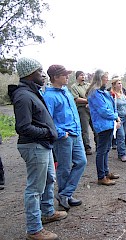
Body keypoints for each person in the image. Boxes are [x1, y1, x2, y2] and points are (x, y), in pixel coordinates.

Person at [8, 57, 67, 240]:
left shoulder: (33, 92)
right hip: (34, 146)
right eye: (39, 70)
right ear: (30, 73)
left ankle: (48, 212)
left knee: (49, 178)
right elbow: (23, 127)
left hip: (43, 145)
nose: (43, 74)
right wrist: (48, 132)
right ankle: (34, 230)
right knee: (34, 188)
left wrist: (48, 133)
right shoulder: (23, 96)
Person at [43, 65, 87, 211]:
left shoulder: (66, 91)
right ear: (55, 77)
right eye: (64, 75)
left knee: (81, 162)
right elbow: (47, 119)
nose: (67, 76)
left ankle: (65, 194)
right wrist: (61, 133)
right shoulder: (49, 96)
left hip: (76, 133)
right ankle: (65, 196)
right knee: (64, 167)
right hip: (64, 137)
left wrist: (78, 130)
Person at [87, 70, 120, 186]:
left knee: (106, 149)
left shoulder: (103, 93)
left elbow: (111, 106)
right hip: (103, 125)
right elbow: (103, 111)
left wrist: (115, 117)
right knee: (102, 150)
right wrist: (116, 117)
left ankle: (106, 172)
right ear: (100, 78)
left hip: (109, 124)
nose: (107, 79)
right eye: (105, 77)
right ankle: (101, 176)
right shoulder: (95, 93)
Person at [70, 71, 98, 155]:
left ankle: (99, 145)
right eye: (81, 75)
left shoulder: (88, 85)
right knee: (85, 129)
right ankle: (87, 147)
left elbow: (94, 94)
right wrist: (88, 101)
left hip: (91, 108)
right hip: (82, 109)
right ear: (77, 77)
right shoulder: (74, 87)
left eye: (84, 75)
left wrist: (91, 102)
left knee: (96, 127)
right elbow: (76, 98)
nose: (83, 76)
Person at [110, 77, 126, 162]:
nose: (120, 85)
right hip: (118, 118)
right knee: (121, 136)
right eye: (118, 83)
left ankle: (122, 152)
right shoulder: (112, 95)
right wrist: (116, 118)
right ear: (114, 85)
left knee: (124, 135)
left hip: (125, 117)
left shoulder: (123, 95)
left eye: (121, 83)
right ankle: (122, 154)